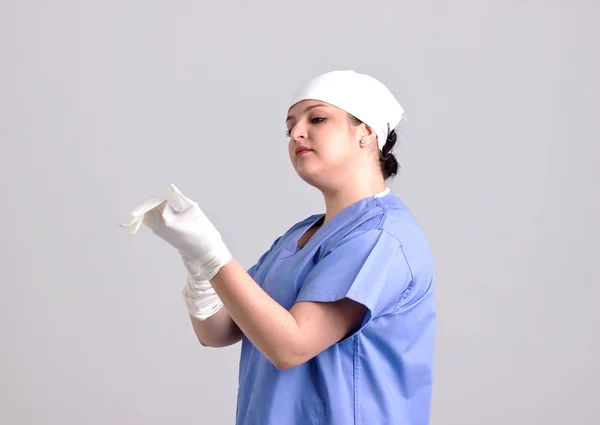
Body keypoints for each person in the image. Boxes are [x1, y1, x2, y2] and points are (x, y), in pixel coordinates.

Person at [121, 70, 436, 425]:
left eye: (317, 119)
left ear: (367, 132)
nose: (297, 133)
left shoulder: (382, 237)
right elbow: (216, 330)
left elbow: (290, 347)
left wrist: (213, 255)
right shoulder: (300, 236)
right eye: (291, 128)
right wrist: (196, 260)